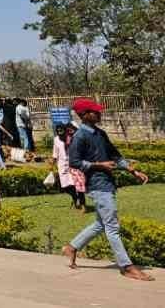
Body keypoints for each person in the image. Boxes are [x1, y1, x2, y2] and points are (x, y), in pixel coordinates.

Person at [62, 98, 153, 281]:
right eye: (95, 111)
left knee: (101, 224)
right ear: (84, 115)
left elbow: (115, 156)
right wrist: (99, 165)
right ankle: (126, 266)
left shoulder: (100, 134)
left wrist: (133, 170)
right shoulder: (80, 137)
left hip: (107, 183)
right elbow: (74, 162)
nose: (99, 113)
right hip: (97, 185)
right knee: (112, 227)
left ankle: (72, 247)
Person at [53, 124, 85, 210]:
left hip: (73, 165)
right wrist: (52, 165)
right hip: (62, 166)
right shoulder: (56, 140)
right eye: (58, 131)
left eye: (61, 131)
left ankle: (82, 205)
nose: (60, 133)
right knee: (65, 186)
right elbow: (55, 153)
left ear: (65, 131)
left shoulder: (71, 138)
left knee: (77, 185)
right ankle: (75, 198)